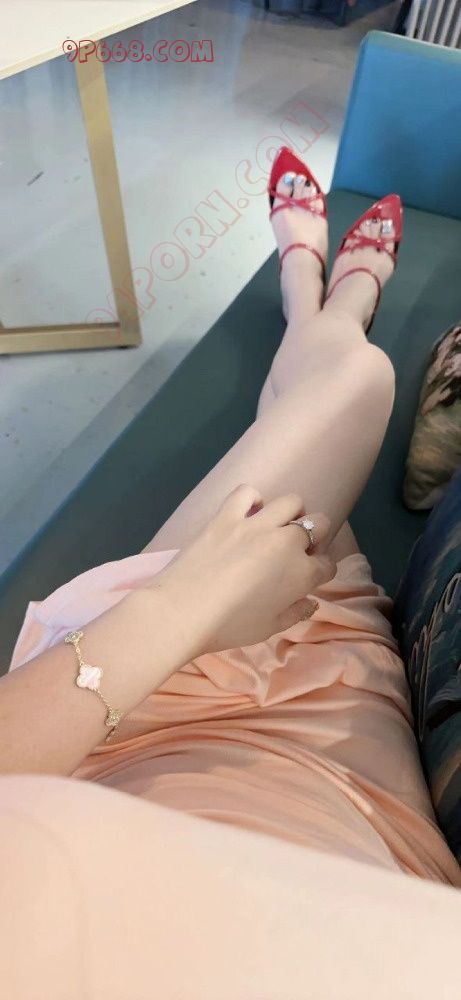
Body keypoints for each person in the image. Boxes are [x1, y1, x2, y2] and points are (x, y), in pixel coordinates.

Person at [1, 147, 460, 999]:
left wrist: (183, 607)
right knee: (346, 383)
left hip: (117, 706)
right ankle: (328, 298)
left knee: (350, 386)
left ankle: (310, 290)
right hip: (343, 778)